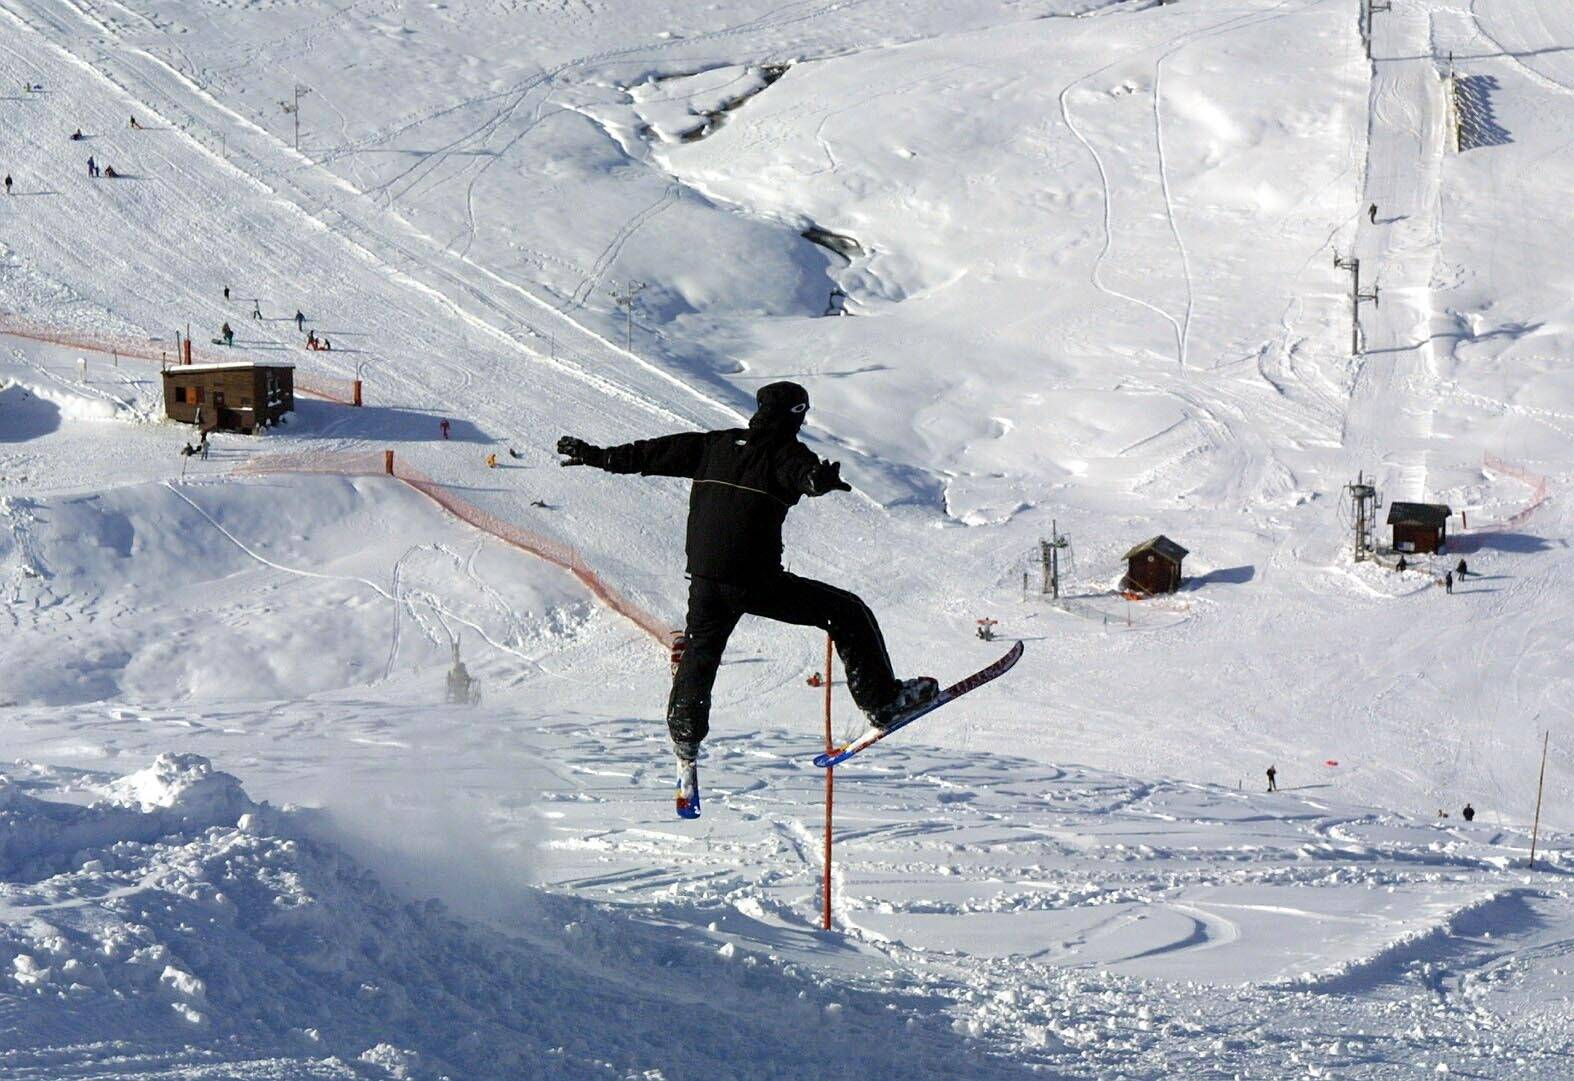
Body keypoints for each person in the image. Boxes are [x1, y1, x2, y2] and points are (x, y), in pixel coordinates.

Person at [558, 381, 937, 768]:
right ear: (797, 414)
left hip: (706, 580)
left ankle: (685, 736)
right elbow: (800, 473)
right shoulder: (786, 452)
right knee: (847, 611)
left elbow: (650, 454)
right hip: (755, 581)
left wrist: (595, 456)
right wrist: (815, 481)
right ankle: (883, 703)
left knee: (700, 652)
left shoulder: (715, 444)